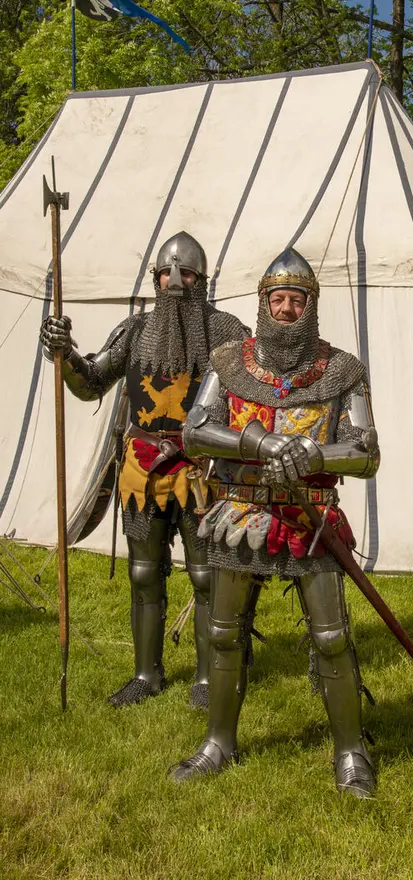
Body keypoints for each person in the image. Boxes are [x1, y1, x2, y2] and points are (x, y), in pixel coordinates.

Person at [169, 248, 380, 798]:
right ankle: (219, 741)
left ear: (311, 306)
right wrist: (256, 441)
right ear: (263, 304)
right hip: (240, 509)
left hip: (310, 516)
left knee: (331, 637)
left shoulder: (341, 370)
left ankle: (351, 752)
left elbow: (366, 452)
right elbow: (193, 433)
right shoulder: (229, 363)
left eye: (296, 300)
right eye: (277, 299)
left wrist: (314, 456)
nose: (286, 309)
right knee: (222, 633)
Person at [39, 232, 248, 709]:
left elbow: (251, 396)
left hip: (201, 469)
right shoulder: (135, 332)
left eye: (186, 273)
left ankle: (204, 678)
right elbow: (91, 382)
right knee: (142, 572)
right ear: (154, 278)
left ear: (202, 280)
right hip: (143, 470)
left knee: (205, 576)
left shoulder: (226, 332)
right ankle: (145, 674)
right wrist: (65, 352)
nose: (175, 281)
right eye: (165, 273)